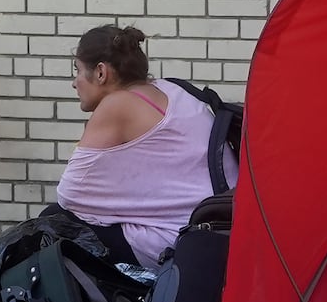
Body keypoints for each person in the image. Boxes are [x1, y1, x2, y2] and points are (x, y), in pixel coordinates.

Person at [52, 24, 223, 268]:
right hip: (217, 229)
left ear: (100, 72)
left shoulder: (117, 105)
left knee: (53, 222)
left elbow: (69, 196)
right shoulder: (170, 88)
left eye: (77, 70)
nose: (74, 82)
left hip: (177, 240)